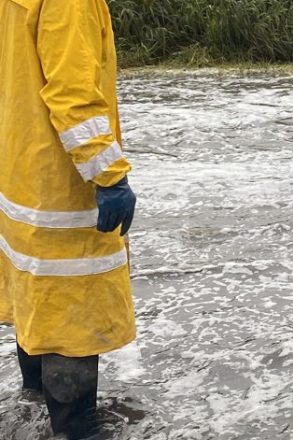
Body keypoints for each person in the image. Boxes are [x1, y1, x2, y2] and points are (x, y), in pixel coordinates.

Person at [1, 0, 137, 437]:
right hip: (61, 180)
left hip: (18, 168)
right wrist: (107, 173)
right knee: (71, 304)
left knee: (33, 284)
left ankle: (33, 400)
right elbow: (73, 93)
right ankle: (76, 428)